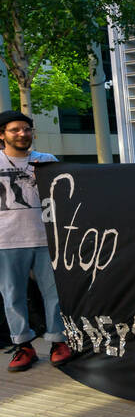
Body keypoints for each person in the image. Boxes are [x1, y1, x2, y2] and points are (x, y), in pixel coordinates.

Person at [0, 111, 71, 372]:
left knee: (54, 294)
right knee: (12, 296)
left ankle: (58, 341)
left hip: (46, 238)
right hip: (5, 240)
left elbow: (65, 196)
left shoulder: (47, 161)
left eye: (26, 129)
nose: (22, 134)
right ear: (2, 135)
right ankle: (23, 345)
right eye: (15, 130)